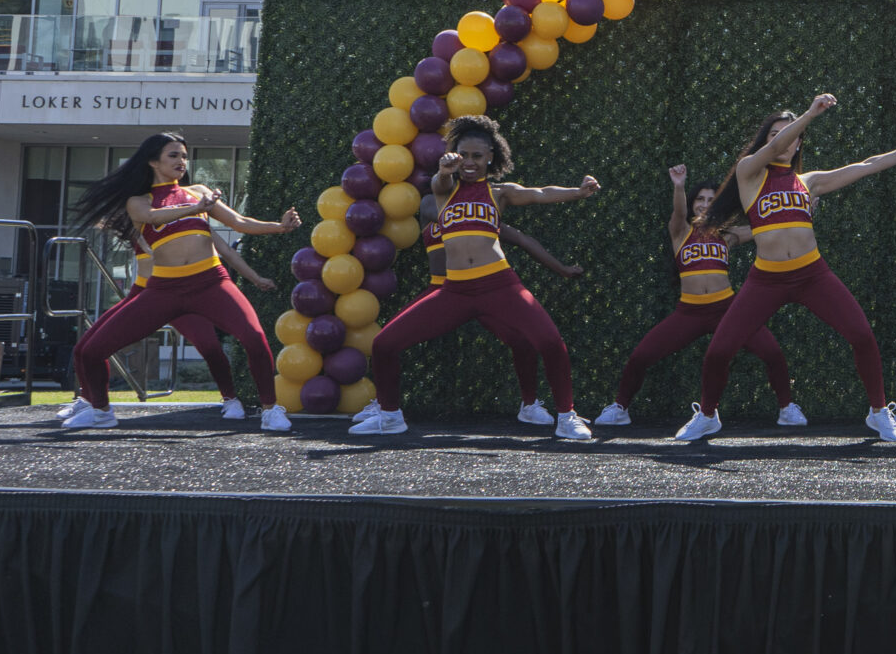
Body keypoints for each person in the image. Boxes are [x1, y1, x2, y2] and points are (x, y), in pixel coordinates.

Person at [680, 94, 896, 443]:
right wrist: (809, 114)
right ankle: (707, 416)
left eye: (789, 134)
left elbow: (865, 166)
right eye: (773, 135)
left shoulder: (808, 181)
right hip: (766, 279)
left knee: (861, 334)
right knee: (720, 350)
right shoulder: (749, 173)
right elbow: (777, 145)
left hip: (812, 274)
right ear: (766, 142)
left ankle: (878, 412)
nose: (781, 139)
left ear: (799, 143)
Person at [351, 116, 600, 440]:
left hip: (500, 284)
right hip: (454, 291)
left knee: (550, 342)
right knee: (384, 343)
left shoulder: (499, 193)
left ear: (491, 158)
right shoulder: (444, 191)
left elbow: (539, 193)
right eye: (463, 155)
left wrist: (578, 192)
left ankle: (566, 416)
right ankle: (390, 416)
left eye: (477, 156)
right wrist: (444, 169)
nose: (469, 162)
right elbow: (440, 182)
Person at [64, 133, 302, 432]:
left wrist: (280, 227)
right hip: (164, 290)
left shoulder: (197, 192)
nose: (182, 162)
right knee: (90, 350)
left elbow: (240, 223)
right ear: (153, 161)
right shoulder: (138, 202)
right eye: (173, 155)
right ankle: (100, 410)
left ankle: (271, 409)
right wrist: (195, 208)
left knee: (254, 337)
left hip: (211, 282)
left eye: (184, 156)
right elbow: (152, 216)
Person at [593, 165, 798, 429]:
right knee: (641, 356)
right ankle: (620, 407)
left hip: (728, 310)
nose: (704, 204)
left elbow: (769, 227)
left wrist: (806, 212)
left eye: (711, 200)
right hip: (689, 311)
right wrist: (679, 185)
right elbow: (678, 212)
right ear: (692, 203)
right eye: (700, 199)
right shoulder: (680, 231)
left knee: (772, 352)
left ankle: (786, 408)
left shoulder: (727, 236)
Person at [411, 182, 591, 424]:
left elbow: (523, 237)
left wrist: (563, 270)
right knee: (389, 339)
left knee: (522, 340)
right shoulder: (431, 203)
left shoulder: (486, 206)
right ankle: (382, 405)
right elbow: (450, 213)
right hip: (443, 290)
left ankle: (529, 405)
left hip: (484, 289)